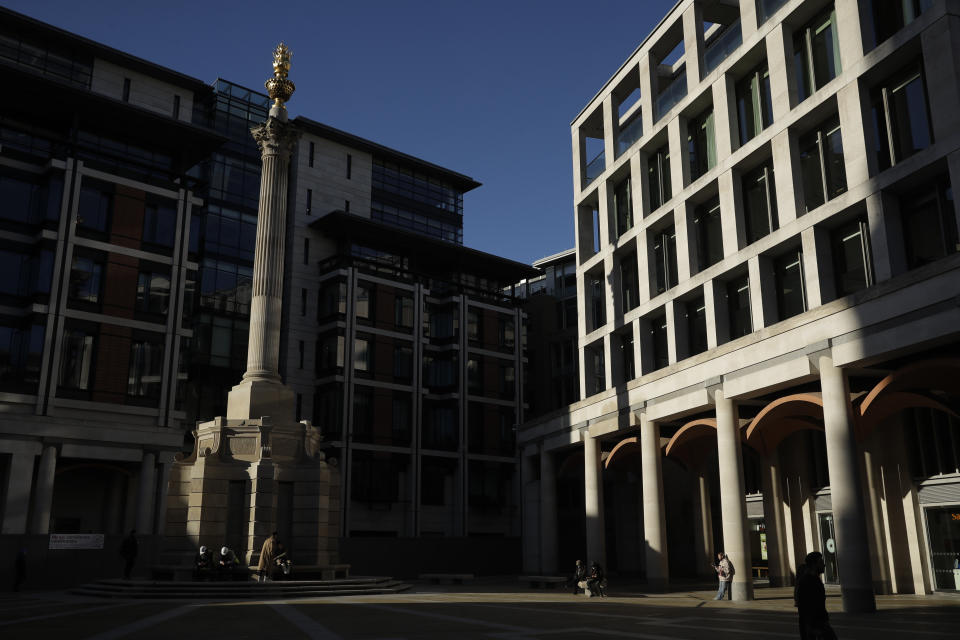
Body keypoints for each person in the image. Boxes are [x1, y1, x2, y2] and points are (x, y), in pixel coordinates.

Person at [796, 551, 836, 640]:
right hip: (815, 626)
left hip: (819, 623)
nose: (824, 565)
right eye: (821, 563)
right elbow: (803, 606)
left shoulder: (814, 579)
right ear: (814, 565)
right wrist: (812, 627)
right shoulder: (806, 582)